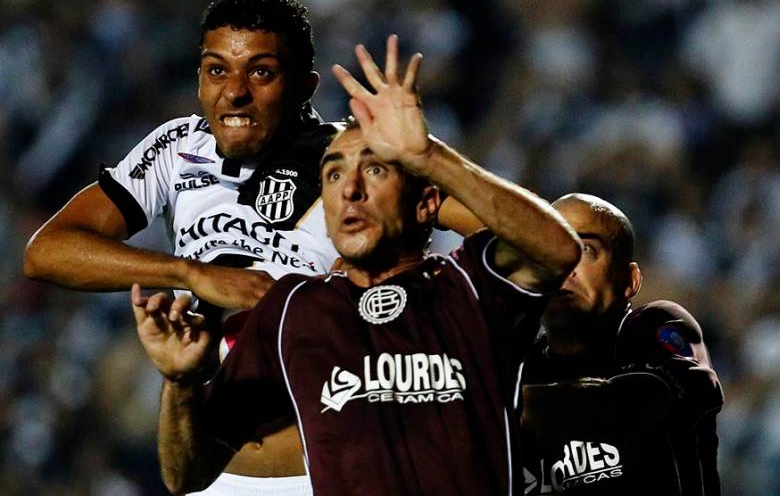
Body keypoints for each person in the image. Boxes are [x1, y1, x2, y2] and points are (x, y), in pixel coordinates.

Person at [133, 35, 582, 495]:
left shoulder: (472, 285)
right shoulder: (293, 313)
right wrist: (181, 383)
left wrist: (428, 156)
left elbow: (559, 248)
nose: (349, 190)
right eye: (332, 174)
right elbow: (185, 473)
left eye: (375, 169)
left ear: (427, 202)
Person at [23, 0, 342, 495]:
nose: (233, 91)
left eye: (260, 72)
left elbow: (494, 227)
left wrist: (430, 159)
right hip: (213, 469)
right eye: (217, 69)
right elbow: (46, 252)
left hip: (330, 464)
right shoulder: (179, 146)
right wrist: (191, 273)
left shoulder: (349, 158)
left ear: (305, 86)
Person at [518, 194, 723, 495]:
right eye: (550, 248)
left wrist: (496, 404)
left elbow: (633, 402)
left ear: (630, 280)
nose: (564, 264)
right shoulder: (522, 365)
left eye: (586, 249)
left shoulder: (654, 327)